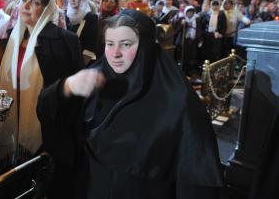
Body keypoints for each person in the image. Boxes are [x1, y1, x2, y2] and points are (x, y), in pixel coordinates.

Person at [37, 10, 224, 199]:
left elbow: (196, 176)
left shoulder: (177, 99)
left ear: (145, 46)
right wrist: (66, 87)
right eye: (110, 44)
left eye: (126, 44)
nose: (115, 53)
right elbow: (47, 112)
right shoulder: (94, 76)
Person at [0, 0, 83, 170]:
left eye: (34, 2)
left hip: (48, 123)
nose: (26, 6)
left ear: (46, 10)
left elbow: (72, 90)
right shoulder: (10, 38)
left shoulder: (64, 40)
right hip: (13, 113)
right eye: (24, 0)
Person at [66, 0, 100, 65]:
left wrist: (81, 65)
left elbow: (91, 44)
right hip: (67, 61)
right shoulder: (66, 16)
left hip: (84, 62)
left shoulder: (91, 17)